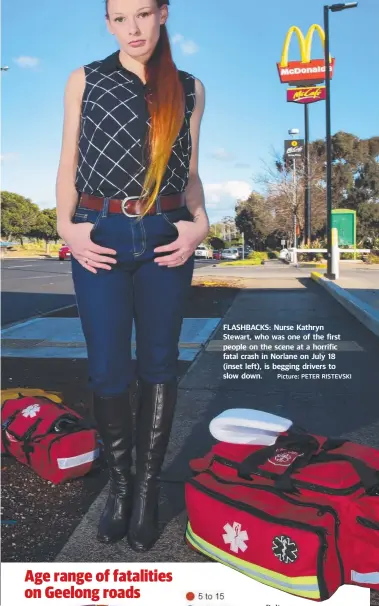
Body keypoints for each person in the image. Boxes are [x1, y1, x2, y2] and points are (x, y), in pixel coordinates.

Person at [55, 0, 209, 552]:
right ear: (108, 23)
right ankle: (120, 487)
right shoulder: (85, 79)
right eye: (120, 18)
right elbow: (69, 162)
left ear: (163, 14)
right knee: (106, 368)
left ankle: (146, 490)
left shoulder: (190, 87)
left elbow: (189, 174)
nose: (133, 27)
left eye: (142, 14)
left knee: (160, 364)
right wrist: (66, 228)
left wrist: (201, 223)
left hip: (168, 234)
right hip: (100, 233)